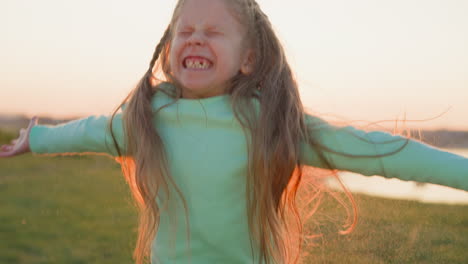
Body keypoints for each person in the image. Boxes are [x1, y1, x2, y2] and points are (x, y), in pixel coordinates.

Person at [1, 0, 467, 263]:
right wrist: (37, 139)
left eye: (212, 31)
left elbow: (374, 150)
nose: (195, 38)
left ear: (248, 60)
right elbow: (93, 132)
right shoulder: (148, 122)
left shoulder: (268, 123)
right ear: (168, 52)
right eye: (184, 32)